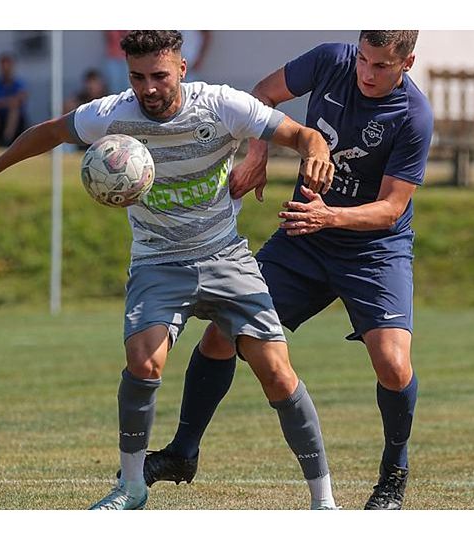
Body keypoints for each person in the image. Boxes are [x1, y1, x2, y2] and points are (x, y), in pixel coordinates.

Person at [0, 31, 339, 511]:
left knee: (277, 372)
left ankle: (324, 503)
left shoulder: (221, 106)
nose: (149, 88)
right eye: (138, 77)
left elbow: (303, 134)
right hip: (158, 258)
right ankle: (131, 487)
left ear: (181, 68)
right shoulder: (114, 114)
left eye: (159, 75)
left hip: (225, 256)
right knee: (144, 360)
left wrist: (315, 151)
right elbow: (51, 131)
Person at [142, 30, 433, 511]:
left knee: (394, 365)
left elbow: (390, 209)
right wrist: (259, 154)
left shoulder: (414, 116)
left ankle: (393, 474)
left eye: (381, 65)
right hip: (304, 240)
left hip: (374, 250)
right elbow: (261, 95)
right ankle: (182, 452)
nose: (366, 72)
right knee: (222, 331)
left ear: (407, 62)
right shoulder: (328, 61)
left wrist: (331, 216)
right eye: (362, 59)